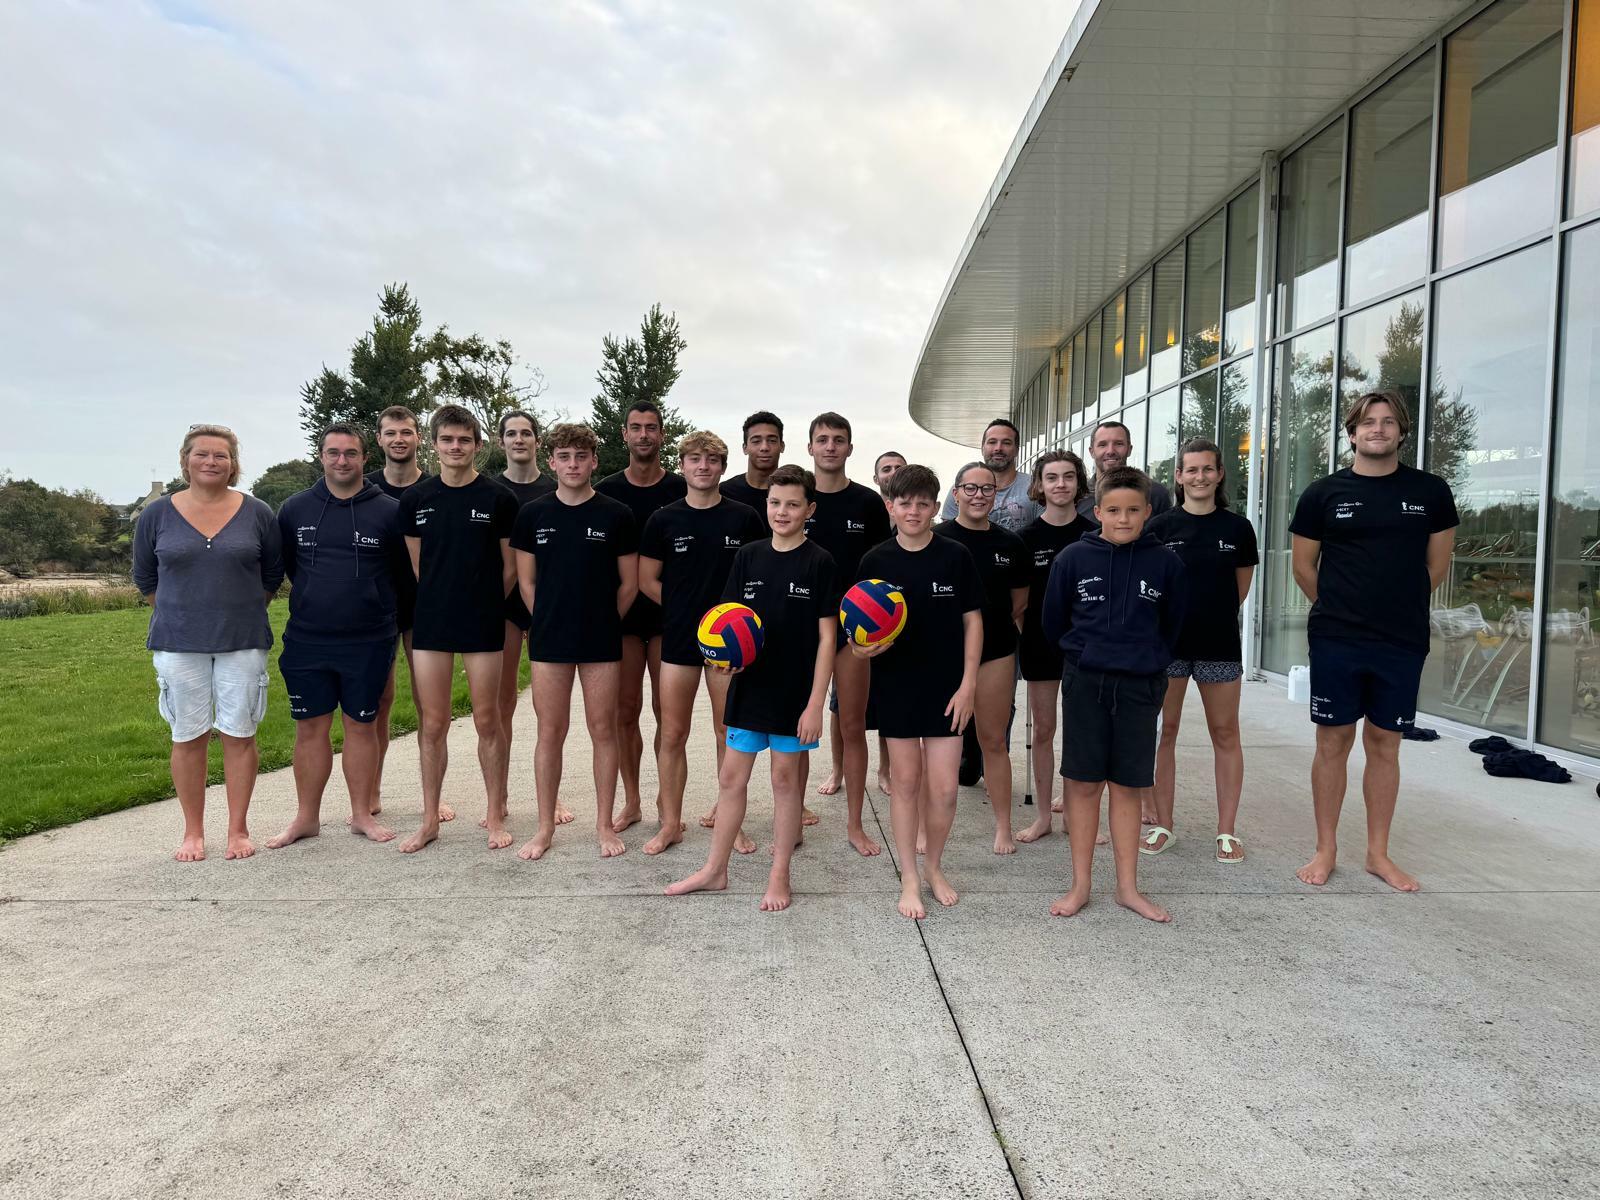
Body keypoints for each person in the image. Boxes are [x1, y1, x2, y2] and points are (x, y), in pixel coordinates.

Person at [1290, 390, 1457, 892]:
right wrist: (1343, 606)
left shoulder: (1431, 492)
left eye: (1387, 422)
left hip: (1401, 639)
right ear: (1352, 433)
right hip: (1338, 637)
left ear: (1402, 432)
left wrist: (1394, 606)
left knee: (1385, 742)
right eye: (1367, 423)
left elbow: (1438, 566)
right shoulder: (1323, 494)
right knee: (1332, 741)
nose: (1377, 430)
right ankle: (1325, 848)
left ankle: (1378, 854)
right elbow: (1303, 567)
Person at [666, 465, 837, 911]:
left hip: (793, 693)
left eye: (793, 504)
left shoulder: (820, 561)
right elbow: (727, 620)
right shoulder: (749, 556)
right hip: (749, 689)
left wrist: (816, 703)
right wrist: (721, 657)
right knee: (730, 778)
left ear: (809, 509)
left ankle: (779, 875)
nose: (782, 511)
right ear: (767, 506)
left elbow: (826, 639)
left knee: (785, 782)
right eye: (775, 503)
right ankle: (714, 869)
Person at [132, 424, 283, 861]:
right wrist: (183, 612)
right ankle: (193, 833)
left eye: (221, 455)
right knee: (188, 735)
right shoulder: (157, 515)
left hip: (242, 641)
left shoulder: (257, 513)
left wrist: (240, 608)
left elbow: (272, 574)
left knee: (239, 733)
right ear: (186, 461)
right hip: (178, 643)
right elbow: (145, 576)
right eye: (202, 454)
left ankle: (238, 830)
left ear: (233, 463)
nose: (211, 462)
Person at [1042, 466, 1186, 923]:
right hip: (1085, 682)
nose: (1123, 519)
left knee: (1127, 786)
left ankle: (1128, 888)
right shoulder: (1072, 559)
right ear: (1098, 511)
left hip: (1140, 686)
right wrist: (1085, 655)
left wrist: (1149, 663)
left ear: (1147, 512)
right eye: (1114, 510)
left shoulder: (1166, 563)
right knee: (1084, 785)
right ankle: (1081, 884)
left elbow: (1175, 627)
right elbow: (1053, 621)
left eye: (1133, 511)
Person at [266, 424, 405, 849]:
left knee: (361, 725)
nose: (341, 460)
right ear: (321, 456)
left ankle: (362, 813)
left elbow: (403, 573)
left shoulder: (389, 510)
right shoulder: (294, 509)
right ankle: (306, 818)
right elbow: (288, 566)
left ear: (366, 458)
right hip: (308, 638)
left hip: (369, 639)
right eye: (333, 452)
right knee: (309, 728)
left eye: (350, 453)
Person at [858, 465, 982, 919]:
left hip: (949, 689)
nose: (913, 510)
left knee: (946, 789)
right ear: (890, 506)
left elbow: (973, 621)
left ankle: (934, 867)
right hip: (897, 688)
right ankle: (909, 875)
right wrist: (862, 648)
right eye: (903, 502)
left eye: (922, 503)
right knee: (906, 785)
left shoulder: (955, 556)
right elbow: (858, 636)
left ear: (935, 506)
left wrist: (969, 684)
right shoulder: (875, 561)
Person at [395, 405, 519, 853]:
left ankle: (493, 814)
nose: (455, 447)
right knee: (433, 723)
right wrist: (443, 600)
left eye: (464, 440)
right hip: (431, 623)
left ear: (478, 446)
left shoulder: (498, 500)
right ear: (435, 444)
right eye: (447, 440)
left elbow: (509, 568)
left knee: (489, 719)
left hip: (483, 621)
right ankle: (429, 820)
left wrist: (481, 601)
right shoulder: (415, 500)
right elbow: (418, 564)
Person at [511, 423, 639, 860]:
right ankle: (545, 827)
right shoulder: (533, 515)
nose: (572, 465)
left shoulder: (616, 514)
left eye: (580, 457)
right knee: (550, 732)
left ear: (594, 461)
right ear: (552, 462)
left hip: (601, 640)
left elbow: (629, 583)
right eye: (564, 457)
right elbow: (527, 583)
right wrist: (546, 619)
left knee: (603, 730)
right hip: (550, 641)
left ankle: (604, 824)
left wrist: (602, 621)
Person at [638, 430, 764, 855]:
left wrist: (731, 623)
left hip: (729, 648)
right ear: (683, 466)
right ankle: (670, 823)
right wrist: (684, 615)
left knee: (727, 734)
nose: (703, 467)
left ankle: (733, 824)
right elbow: (646, 580)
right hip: (678, 642)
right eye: (694, 459)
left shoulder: (745, 518)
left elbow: (755, 579)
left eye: (711, 460)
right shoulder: (663, 520)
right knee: (672, 732)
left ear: (722, 467)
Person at [1146, 438, 1259, 862]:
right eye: (1190, 470)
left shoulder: (1237, 529)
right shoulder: (1159, 528)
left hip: (1219, 646)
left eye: (1207, 469)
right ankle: (1163, 824)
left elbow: (1239, 590)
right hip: (1168, 648)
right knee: (1165, 733)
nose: (1199, 477)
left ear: (1219, 474)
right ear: (1178, 476)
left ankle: (1227, 832)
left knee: (1226, 734)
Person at [805, 412, 893, 856]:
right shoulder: (796, 498)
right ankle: (795, 814)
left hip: (852, 632)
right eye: (823, 439)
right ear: (810, 448)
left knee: (854, 724)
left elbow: (884, 566)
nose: (831, 447)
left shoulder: (867, 503)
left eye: (839, 440)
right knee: (793, 727)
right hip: (802, 627)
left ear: (850, 449)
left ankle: (856, 825)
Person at [596, 401, 687, 833]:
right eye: (637, 428)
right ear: (624, 435)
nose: (644, 435)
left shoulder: (679, 488)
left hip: (668, 615)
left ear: (662, 435)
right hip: (623, 617)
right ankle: (631, 801)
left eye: (652, 428)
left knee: (668, 717)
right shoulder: (608, 491)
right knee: (625, 712)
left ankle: (668, 804)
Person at [935, 462, 1029, 854]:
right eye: (970, 488)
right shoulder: (935, 539)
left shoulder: (1011, 545)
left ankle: (1003, 826)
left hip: (995, 653)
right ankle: (928, 828)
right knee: (938, 744)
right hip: (942, 653)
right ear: (955, 494)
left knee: (992, 740)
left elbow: (1018, 605)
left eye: (987, 489)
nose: (978, 495)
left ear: (996, 495)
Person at [492, 410, 568, 829]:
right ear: (500, 441)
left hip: (548, 609)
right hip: (505, 606)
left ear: (538, 442)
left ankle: (550, 802)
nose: (519, 439)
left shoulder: (554, 489)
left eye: (526, 433)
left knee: (549, 715)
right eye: (511, 434)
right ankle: (499, 796)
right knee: (501, 706)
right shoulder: (492, 491)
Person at [1015, 450, 1094, 844]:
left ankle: (1078, 817)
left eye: (1067, 477)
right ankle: (1044, 815)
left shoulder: (1096, 535)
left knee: (1084, 731)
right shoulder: (1025, 540)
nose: (1060, 484)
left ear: (1079, 483)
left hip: (1087, 649)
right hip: (1041, 646)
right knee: (1044, 729)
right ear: (1040, 485)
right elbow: (1019, 605)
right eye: (1052, 478)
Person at [365, 405, 431, 819]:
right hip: (378, 607)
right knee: (380, 700)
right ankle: (371, 791)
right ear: (380, 439)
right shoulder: (365, 490)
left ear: (418, 437)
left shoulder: (436, 489)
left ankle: (432, 795)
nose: (399, 439)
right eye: (391, 433)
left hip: (426, 605)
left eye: (406, 432)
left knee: (431, 705)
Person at [870, 450, 905, 796]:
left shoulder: (913, 516)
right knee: (844, 708)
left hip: (900, 626)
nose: (893, 473)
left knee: (890, 709)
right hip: (868, 621)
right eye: (886, 468)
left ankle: (888, 768)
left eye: (899, 468)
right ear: (876, 476)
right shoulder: (870, 507)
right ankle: (839, 771)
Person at [938, 419, 1042, 532]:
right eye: (992, 442)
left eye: (1006, 443)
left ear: (1017, 450)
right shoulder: (962, 489)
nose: (998, 448)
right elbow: (947, 535)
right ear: (982, 448)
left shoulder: (1034, 486)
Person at [1077, 421, 1173, 523]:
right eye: (1102, 445)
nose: (1110, 451)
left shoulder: (1156, 494)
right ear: (1092, 452)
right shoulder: (1079, 496)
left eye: (1118, 444)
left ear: (1129, 449)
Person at [720, 411, 785, 532]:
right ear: (745, 448)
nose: (764, 447)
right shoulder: (723, 493)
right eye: (756, 441)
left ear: (782, 446)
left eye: (772, 440)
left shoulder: (795, 494)